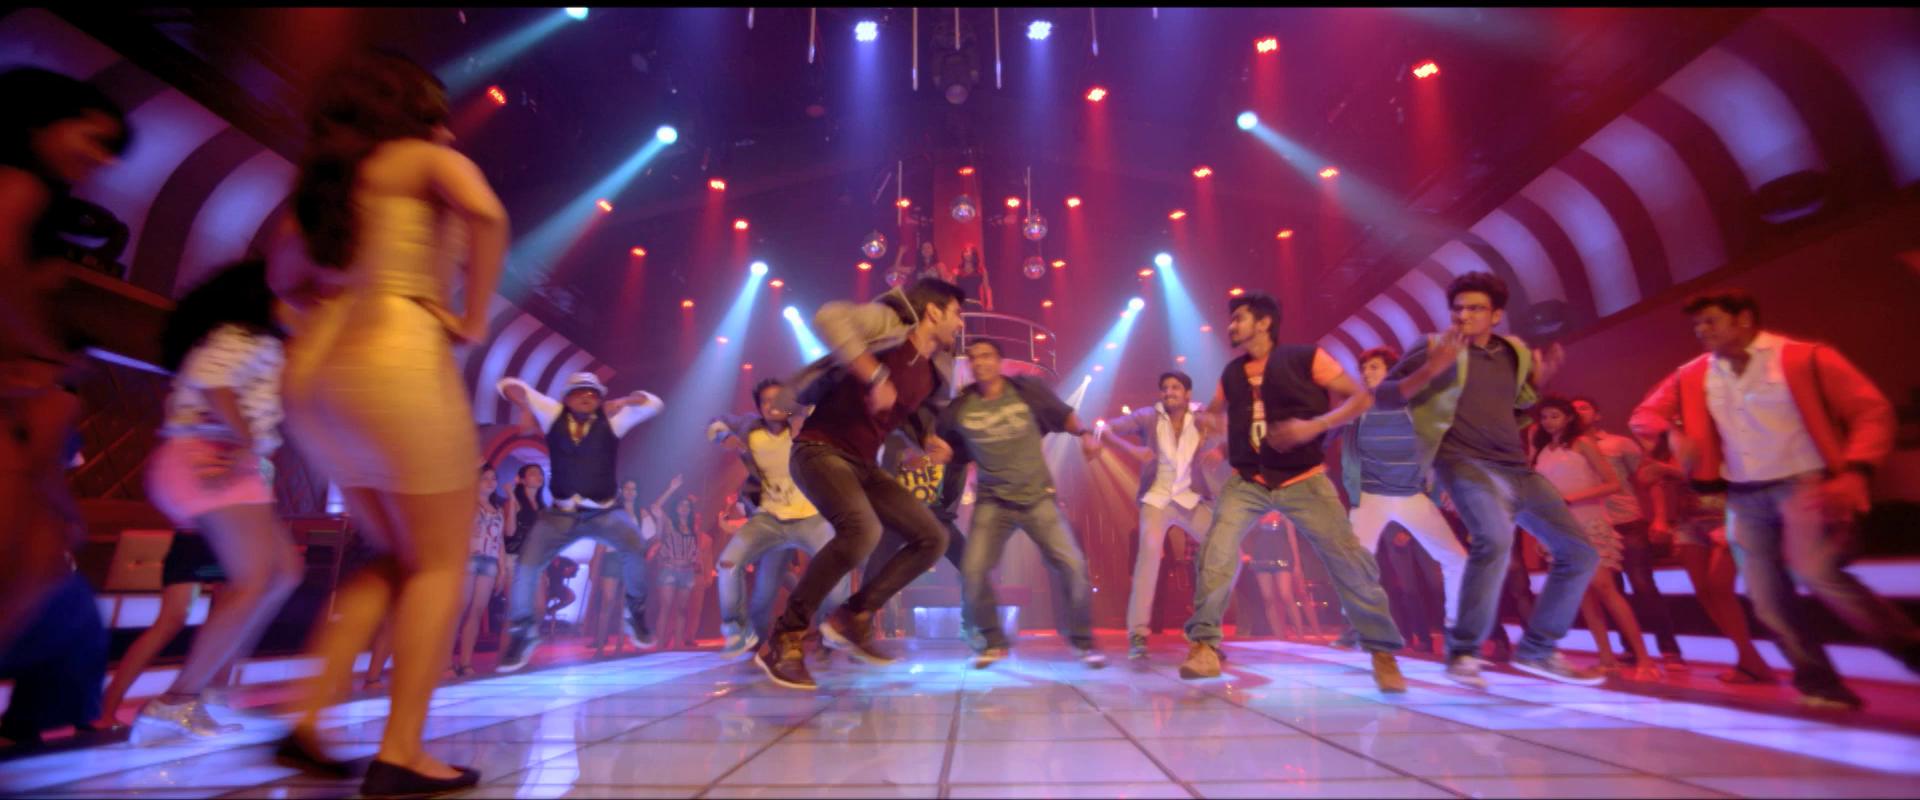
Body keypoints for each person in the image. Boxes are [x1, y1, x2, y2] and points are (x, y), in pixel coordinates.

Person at [267, 50, 507, 796]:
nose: (447, 126)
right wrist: (472, 318)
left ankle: (308, 716)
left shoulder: (325, 186)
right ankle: (402, 750)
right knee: (440, 561)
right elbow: (488, 214)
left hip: (316, 374)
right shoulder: (422, 159)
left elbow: (281, 282)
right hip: (396, 354)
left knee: (397, 554)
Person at [1631, 290, 1916, 710]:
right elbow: (1644, 414)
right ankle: (1818, 683)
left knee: (1818, 573)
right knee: (1765, 596)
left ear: (1744, 319)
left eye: (1711, 321)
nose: (1702, 331)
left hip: (1805, 484)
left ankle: (1911, 649)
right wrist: (1671, 433)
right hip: (1743, 495)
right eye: (1697, 325)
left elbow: (1870, 411)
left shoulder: (1803, 357)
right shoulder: (1693, 373)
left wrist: (1857, 470)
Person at [1378, 271, 1602, 689]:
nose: (1464, 315)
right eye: (1458, 309)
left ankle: (1538, 649)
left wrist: (1542, 380)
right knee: (1494, 540)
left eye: (1476, 308)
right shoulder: (1433, 347)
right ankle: (1463, 652)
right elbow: (1386, 395)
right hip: (1462, 462)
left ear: (1496, 315)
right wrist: (1432, 370)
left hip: (1515, 467)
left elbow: (1513, 403)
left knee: (1579, 553)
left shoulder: (1512, 352)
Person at [1178, 292, 1406, 692]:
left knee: (1348, 559)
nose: (1231, 325)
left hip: (1304, 476)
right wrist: (1209, 422)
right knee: (1216, 552)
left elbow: (1360, 398)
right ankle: (1204, 647)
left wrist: (1314, 426)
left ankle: (1382, 652)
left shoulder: (1306, 358)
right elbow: (1214, 411)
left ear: (1264, 322)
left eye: (1239, 318)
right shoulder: (1232, 373)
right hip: (1248, 480)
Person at [122, 260, 306, 745]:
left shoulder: (261, 342)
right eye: (296, 294)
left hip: (225, 461)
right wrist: (245, 438)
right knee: (255, 579)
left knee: (283, 573)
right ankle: (177, 700)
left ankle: (201, 692)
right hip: (208, 457)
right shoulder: (241, 336)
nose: (305, 305)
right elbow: (211, 379)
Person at [755, 278, 967, 690]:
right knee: (862, 530)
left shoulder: (933, 372)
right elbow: (829, 317)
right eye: (957, 314)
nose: (960, 324)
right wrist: (874, 374)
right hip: (819, 449)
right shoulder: (889, 323)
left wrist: (927, 440)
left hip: (862, 464)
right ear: (933, 311)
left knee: (933, 537)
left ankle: (853, 617)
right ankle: (785, 636)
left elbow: (908, 415)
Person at [0, 68, 130, 658]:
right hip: (19, 397)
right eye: (95, 139)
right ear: (40, 124)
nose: (104, 160)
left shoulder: (32, 194)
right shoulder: (21, 185)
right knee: (33, 558)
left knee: (38, 558)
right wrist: (41, 351)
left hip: (24, 404)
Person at [938, 338, 1103, 668]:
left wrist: (1085, 434)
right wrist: (936, 452)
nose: (979, 362)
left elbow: (1065, 416)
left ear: (999, 361)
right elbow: (943, 443)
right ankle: (993, 641)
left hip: (1036, 498)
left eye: (986, 356)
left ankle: (1083, 643)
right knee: (972, 571)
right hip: (993, 502)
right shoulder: (961, 407)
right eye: (973, 358)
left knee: (1073, 566)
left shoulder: (1026, 391)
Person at [495, 372, 665, 670]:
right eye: (581, 392)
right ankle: (522, 632)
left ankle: (635, 613)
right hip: (561, 515)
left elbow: (653, 404)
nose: (587, 397)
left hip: (605, 513)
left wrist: (624, 401)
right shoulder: (552, 414)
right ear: (567, 397)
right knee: (527, 565)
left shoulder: (612, 421)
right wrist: (525, 407)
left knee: (635, 547)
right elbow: (508, 385)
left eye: (593, 393)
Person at [1327, 346, 1469, 652]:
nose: (1366, 373)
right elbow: (1324, 435)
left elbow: (1439, 445)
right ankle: (1356, 625)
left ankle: (1456, 626)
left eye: (1374, 367)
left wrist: (1447, 486)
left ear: (1391, 372)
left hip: (1409, 495)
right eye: (1363, 369)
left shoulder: (1414, 404)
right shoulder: (1356, 407)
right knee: (1355, 560)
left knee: (1456, 558)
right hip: (1370, 497)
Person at [1084, 370, 1224, 661]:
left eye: (1175, 387)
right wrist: (1131, 449)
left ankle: (1204, 631)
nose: (1169, 392)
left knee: (1225, 553)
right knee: (1148, 559)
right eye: (1165, 388)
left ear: (1187, 393)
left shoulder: (1200, 415)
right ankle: (1138, 635)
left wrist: (1220, 447)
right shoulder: (1148, 416)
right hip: (1157, 499)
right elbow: (1103, 428)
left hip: (1190, 499)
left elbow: (1229, 427)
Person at [707, 380, 849, 659]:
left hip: (810, 519)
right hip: (770, 521)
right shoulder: (749, 427)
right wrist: (724, 437)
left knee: (838, 565)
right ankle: (742, 634)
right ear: (759, 407)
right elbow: (714, 422)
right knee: (744, 576)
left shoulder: (806, 422)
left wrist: (800, 415)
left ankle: (831, 628)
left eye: (778, 400)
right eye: (765, 401)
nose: (772, 406)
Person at [1531, 396, 1661, 680]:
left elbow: (1612, 483)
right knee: (1584, 595)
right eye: (1544, 417)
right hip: (1559, 529)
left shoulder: (1582, 443)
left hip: (1588, 522)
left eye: (1555, 416)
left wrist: (1570, 498)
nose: (1548, 422)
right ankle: (1606, 659)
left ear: (1568, 417)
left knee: (1604, 587)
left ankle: (1644, 659)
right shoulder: (1542, 450)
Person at [1638, 431, 1777, 684]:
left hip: (1726, 515)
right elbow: (1651, 479)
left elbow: (1716, 473)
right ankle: (1749, 660)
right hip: (1688, 521)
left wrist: (1668, 470)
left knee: (1719, 585)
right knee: (1704, 591)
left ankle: (1752, 661)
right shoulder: (1667, 438)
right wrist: (1660, 514)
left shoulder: (1719, 429)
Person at [1574, 396, 1686, 671]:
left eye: (1584, 407)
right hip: (1596, 526)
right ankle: (1631, 650)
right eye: (1572, 410)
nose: (1578, 412)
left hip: (1628, 521)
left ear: (1597, 414)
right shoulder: (1569, 449)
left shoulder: (1619, 443)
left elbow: (1650, 479)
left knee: (1643, 585)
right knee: (1610, 591)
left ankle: (1669, 650)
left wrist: (1660, 518)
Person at [95, 532, 237, 731]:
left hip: (210, 541)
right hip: (213, 540)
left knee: (222, 622)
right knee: (196, 621)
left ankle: (210, 704)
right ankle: (105, 709)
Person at [453, 466, 506, 677]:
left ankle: (465, 662)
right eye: (485, 478)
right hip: (468, 558)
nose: (491, 482)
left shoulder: (498, 509)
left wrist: (502, 569)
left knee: (476, 611)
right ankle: (444, 662)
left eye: (494, 478)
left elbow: (500, 540)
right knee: (459, 609)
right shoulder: (466, 503)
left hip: (489, 561)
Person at [646, 481, 709, 650]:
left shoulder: (693, 528)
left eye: (687, 506)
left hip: (687, 572)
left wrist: (697, 565)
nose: (684, 508)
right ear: (676, 507)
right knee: (666, 608)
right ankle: (660, 646)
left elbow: (696, 552)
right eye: (681, 505)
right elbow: (655, 507)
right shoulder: (668, 523)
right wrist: (671, 488)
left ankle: (678, 646)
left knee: (682, 610)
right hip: (669, 571)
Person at [953, 245, 991, 311]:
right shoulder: (957, 271)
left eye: (970, 252)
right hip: (962, 305)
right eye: (966, 251)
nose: (968, 253)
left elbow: (987, 288)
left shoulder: (981, 271)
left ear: (974, 255)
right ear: (963, 254)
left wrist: (990, 303)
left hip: (976, 304)